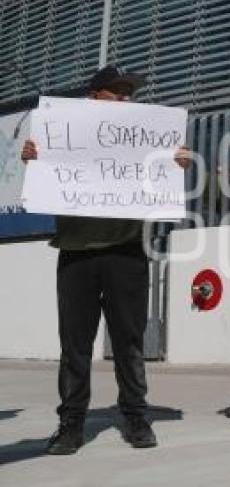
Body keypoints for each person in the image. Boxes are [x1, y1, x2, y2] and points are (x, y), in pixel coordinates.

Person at [20, 65, 191, 455]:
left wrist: (177, 161)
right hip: (76, 253)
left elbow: (165, 174)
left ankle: (136, 417)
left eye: (130, 93)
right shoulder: (63, 130)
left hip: (126, 252)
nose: (126, 99)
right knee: (75, 345)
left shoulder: (143, 135)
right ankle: (71, 424)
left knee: (128, 341)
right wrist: (33, 157)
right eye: (117, 92)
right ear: (95, 96)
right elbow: (44, 173)